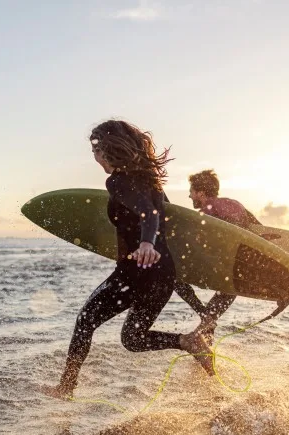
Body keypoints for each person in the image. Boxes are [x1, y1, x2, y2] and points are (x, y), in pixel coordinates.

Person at [42, 120, 212, 399]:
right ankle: (188, 341)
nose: (94, 156)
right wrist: (192, 300)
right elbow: (160, 216)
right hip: (162, 274)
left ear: (110, 150)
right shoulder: (153, 182)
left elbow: (149, 213)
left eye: (97, 149)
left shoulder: (117, 181)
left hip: (137, 272)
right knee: (133, 338)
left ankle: (66, 388)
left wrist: (145, 243)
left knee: (86, 320)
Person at [173, 169, 262, 335]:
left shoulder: (207, 211)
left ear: (201, 193)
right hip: (239, 273)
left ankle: (202, 314)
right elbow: (260, 232)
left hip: (222, 268)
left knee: (171, 275)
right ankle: (205, 348)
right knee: (212, 316)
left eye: (191, 192)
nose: (190, 196)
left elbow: (192, 243)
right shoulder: (235, 204)